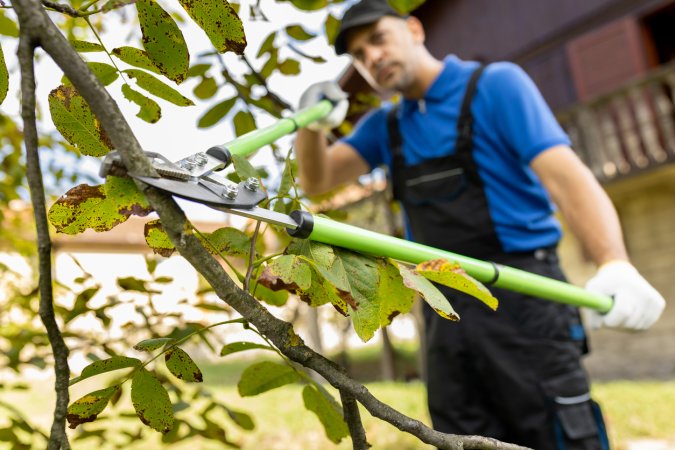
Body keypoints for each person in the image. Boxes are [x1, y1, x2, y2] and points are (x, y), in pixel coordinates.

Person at [294, 0, 666, 448]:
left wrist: (615, 263)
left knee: (556, 432)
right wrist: (311, 125)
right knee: (461, 436)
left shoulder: (496, 86)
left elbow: (566, 179)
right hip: (444, 305)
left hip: (526, 295)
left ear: (414, 29)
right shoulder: (386, 126)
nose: (371, 57)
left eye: (377, 39)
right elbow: (317, 181)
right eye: (357, 55)